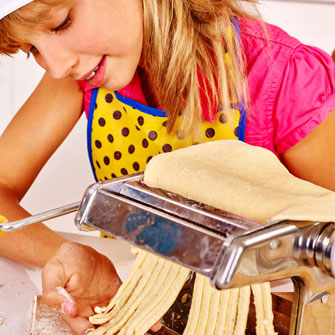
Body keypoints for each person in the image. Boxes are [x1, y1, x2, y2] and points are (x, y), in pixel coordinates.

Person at [0, 0, 335, 334]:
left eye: (62, 23)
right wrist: (64, 252)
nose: (57, 66)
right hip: (142, 305)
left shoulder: (285, 77)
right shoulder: (83, 72)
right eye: (32, 49)